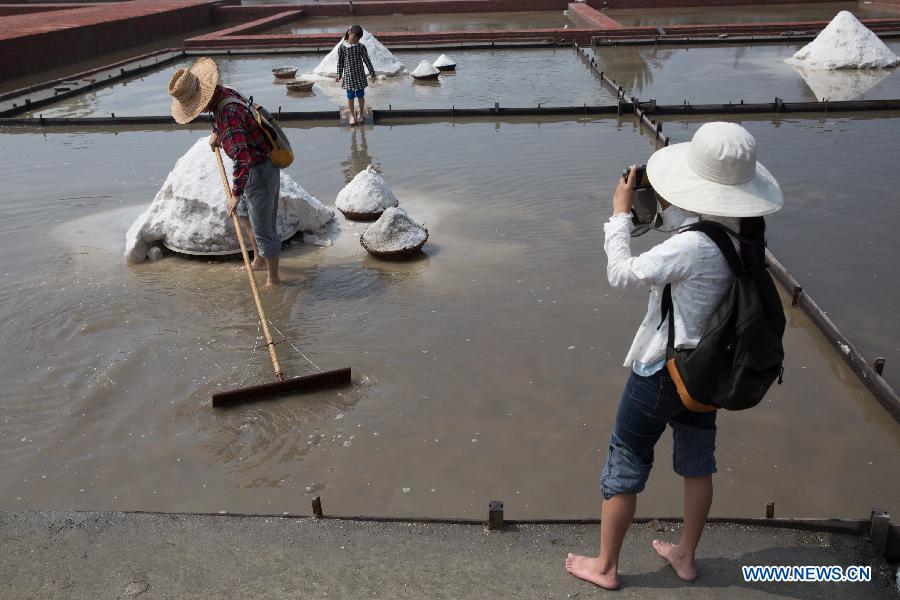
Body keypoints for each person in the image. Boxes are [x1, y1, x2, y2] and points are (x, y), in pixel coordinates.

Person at [565, 122, 783, 589]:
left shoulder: (691, 246)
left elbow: (622, 273)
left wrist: (620, 215)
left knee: (626, 458)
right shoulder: (746, 238)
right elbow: (693, 231)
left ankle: (605, 567)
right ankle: (685, 554)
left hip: (661, 372)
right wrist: (655, 208)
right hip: (706, 374)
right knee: (697, 463)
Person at [167, 57, 283, 290]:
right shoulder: (223, 93)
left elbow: (242, 158)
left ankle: (274, 279)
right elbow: (226, 123)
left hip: (258, 170)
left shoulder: (228, 114)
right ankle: (258, 260)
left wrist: (235, 193)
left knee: (263, 228)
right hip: (249, 170)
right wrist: (216, 132)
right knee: (243, 215)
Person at [336, 25, 376, 126]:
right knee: (350, 96)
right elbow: (340, 62)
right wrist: (339, 74)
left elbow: (367, 60)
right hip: (349, 76)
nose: (355, 40)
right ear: (349, 33)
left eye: (358, 39)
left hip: (359, 76)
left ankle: (361, 114)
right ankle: (352, 115)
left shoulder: (361, 47)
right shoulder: (342, 47)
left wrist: (372, 73)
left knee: (360, 95)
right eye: (354, 38)